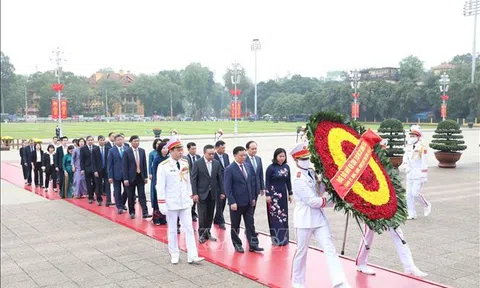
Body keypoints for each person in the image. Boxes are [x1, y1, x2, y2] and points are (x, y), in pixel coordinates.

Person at [289, 141, 351, 288]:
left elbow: (319, 191)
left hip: (318, 218)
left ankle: (339, 281)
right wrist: (334, 200)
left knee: (329, 248)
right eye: (303, 159)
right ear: (296, 160)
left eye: (307, 158)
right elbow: (312, 201)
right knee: (302, 252)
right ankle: (297, 282)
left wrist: (327, 179)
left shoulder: (310, 171)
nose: (306, 161)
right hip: (304, 218)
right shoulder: (297, 178)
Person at [156, 136, 204, 264]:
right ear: (171, 151)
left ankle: (192, 255)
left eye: (181, 149)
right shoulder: (163, 166)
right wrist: (162, 203)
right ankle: (174, 253)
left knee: (189, 228)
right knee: (172, 229)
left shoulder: (184, 163)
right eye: (178, 150)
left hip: (184, 201)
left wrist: (190, 196)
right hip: (171, 202)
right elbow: (159, 186)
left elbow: (187, 182)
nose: (181, 152)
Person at [224, 146, 263, 254]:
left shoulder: (247, 166)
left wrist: (253, 198)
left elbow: (251, 183)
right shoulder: (230, 169)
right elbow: (227, 187)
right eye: (241, 155)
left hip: (248, 202)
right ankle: (237, 244)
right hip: (236, 203)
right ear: (235, 155)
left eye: (245, 155)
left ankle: (253, 244)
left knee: (250, 224)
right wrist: (232, 201)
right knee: (235, 225)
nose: (243, 157)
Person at [191, 144, 224, 243]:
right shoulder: (198, 163)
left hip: (213, 194)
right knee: (202, 215)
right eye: (210, 154)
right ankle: (201, 234)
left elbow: (220, 179)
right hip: (201, 194)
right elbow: (193, 179)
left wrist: (222, 191)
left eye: (213, 154)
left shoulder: (216, 163)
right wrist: (195, 193)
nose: (212, 156)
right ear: (204, 153)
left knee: (210, 215)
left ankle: (207, 233)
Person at [400, 125, 432, 219]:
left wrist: (424, 176)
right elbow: (405, 157)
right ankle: (412, 213)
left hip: (418, 174)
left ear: (418, 137)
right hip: (409, 173)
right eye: (411, 135)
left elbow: (424, 162)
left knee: (415, 193)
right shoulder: (408, 145)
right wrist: (405, 166)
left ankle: (426, 205)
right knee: (408, 195)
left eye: (414, 135)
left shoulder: (422, 147)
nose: (412, 137)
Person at [265, 148, 292, 246]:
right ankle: (276, 239)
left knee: (283, 216)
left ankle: (284, 239)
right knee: (275, 217)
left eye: (283, 156)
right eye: (280, 156)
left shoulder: (287, 167)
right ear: (276, 156)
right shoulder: (271, 168)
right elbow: (267, 182)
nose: (281, 158)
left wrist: (290, 193)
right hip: (273, 196)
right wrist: (267, 194)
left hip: (283, 195)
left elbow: (288, 181)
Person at [123, 135, 151, 219]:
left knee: (142, 195)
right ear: (131, 142)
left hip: (140, 176)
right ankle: (132, 212)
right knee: (131, 196)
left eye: (138, 141)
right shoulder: (127, 152)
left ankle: (145, 212)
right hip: (131, 177)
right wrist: (125, 178)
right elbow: (125, 166)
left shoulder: (142, 151)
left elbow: (144, 165)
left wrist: (145, 176)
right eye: (135, 141)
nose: (136, 143)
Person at [107, 134, 128, 214]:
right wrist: (110, 176)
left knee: (127, 190)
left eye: (121, 139)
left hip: (126, 174)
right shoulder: (111, 151)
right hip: (116, 174)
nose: (120, 141)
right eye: (118, 140)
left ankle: (122, 203)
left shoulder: (127, 149)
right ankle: (119, 206)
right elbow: (110, 164)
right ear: (115, 141)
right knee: (117, 190)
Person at [150, 142, 169, 225]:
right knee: (158, 201)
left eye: (166, 148)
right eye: (163, 148)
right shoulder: (157, 159)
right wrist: (156, 183)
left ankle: (163, 218)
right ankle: (156, 218)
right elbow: (154, 172)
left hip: (167, 183)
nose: (165, 150)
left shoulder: (168, 158)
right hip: (158, 182)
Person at [213, 140, 230, 230]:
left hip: (225, 183)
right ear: (217, 148)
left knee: (223, 203)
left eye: (224, 147)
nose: (224, 149)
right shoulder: (213, 157)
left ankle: (217, 218)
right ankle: (221, 221)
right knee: (219, 203)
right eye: (222, 147)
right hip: (217, 184)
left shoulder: (226, 156)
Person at [81, 136, 101, 205]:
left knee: (96, 183)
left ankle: (94, 194)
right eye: (89, 140)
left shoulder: (96, 148)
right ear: (86, 141)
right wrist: (82, 169)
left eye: (92, 140)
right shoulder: (83, 148)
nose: (90, 141)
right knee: (88, 183)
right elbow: (82, 160)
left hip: (95, 168)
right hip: (87, 168)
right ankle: (90, 197)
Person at [184, 142, 201, 222]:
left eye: (195, 149)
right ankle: (191, 213)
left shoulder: (199, 157)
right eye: (192, 149)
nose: (194, 150)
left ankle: (195, 213)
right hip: (190, 181)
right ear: (188, 149)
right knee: (191, 197)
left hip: (199, 180)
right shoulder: (186, 158)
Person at [92, 135, 110, 206]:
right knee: (98, 185)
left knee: (107, 185)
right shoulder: (95, 149)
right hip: (98, 170)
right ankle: (99, 199)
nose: (102, 141)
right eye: (101, 140)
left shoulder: (108, 149)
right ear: (98, 141)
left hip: (106, 170)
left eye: (103, 140)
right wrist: (95, 171)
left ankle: (108, 200)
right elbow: (93, 161)